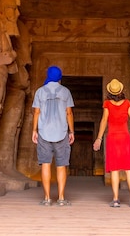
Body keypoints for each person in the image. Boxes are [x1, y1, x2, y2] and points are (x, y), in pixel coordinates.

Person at [93, 79, 130, 208]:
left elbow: (103, 121)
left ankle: (116, 200)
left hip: (112, 138)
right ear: (121, 90)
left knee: (114, 169)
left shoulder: (107, 104)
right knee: (129, 169)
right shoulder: (127, 104)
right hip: (125, 138)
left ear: (110, 92)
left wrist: (99, 138)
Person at [31, 65, 75, 206]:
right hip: (61, 132)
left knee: (46, 164)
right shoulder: (65, 91)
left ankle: (47, 198)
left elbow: (36, 112)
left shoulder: (40, 91)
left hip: (44, 132)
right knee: (61, 165)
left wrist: (34, 130)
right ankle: (61, 198)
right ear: (59, 77)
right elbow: (69, 113)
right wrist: (71, 131)